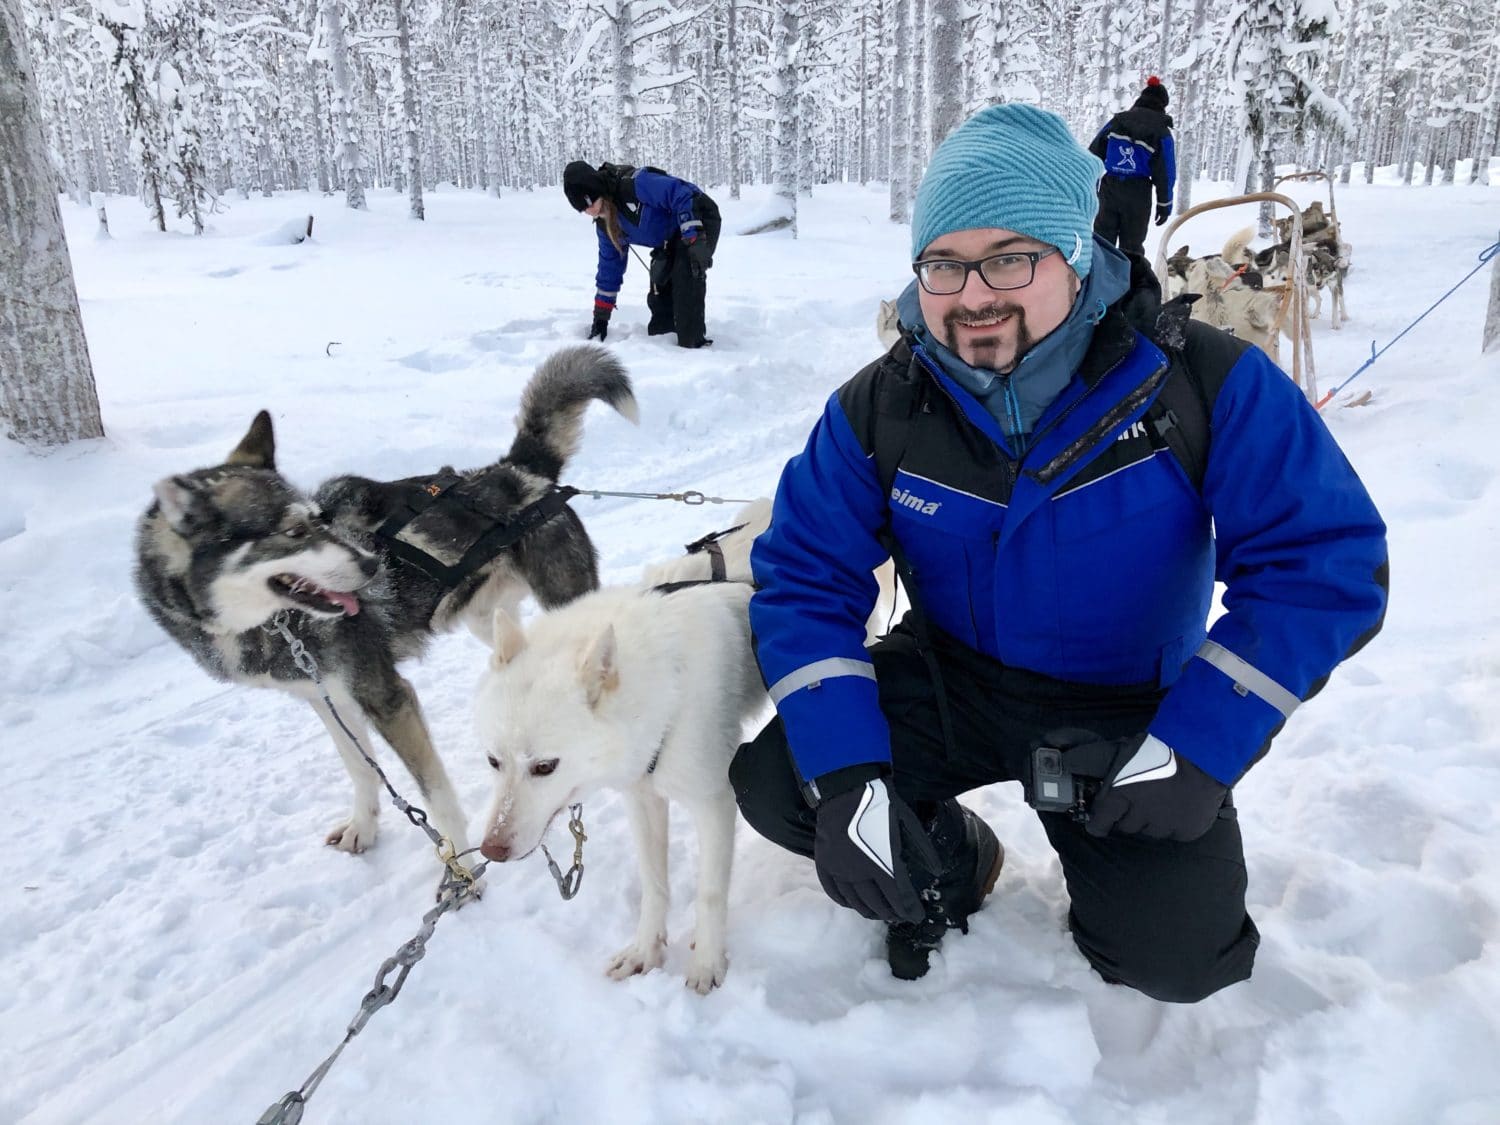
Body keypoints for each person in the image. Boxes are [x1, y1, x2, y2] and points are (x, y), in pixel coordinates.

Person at [730, 103, 1388, 998]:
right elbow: (804, 576)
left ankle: (1114, 890)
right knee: (783, 781)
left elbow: (1324, 564)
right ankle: (952, 861)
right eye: (944, 265)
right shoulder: (881, 408)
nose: (973, 295)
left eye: (1011, 257)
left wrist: (1197, 745)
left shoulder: (1202, 381)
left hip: (1125, 716)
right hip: (952, 677)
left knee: (1178, 959)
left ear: (1077, 255)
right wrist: (847, 772)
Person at [562, 160, 721, 349]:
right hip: (668, 239)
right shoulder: (605, 225)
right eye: (583, 209)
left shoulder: (636, 185)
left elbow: (683, 193)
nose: (589, 211)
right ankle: (670, 357)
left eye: (589, 203)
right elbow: (609, 268)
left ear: (596, 189)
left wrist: (694, 237)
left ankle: (694, 347)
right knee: (661, 319)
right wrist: (601, 316)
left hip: (697, 218)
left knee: (684, 279)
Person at [1089, 77, 1176, 257]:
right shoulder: (1162, 132)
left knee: (1102, 243)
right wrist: (1164, 204)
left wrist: (1088, 184)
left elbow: (1094, 151)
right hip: (1138, 193)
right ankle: (1129, 283)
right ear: (1162, 105)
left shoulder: (1118, 121)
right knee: (1132, 247)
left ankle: (1099, 281)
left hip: (1110, 188)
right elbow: (1166, 173)